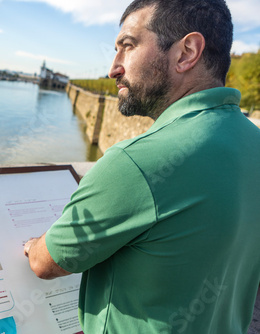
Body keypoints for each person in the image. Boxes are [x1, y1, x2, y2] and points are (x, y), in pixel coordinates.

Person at [24, 0, 260, 333]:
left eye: (128, 46)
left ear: (186, 52)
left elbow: (44, 262)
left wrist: (33, 244)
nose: (113, 68)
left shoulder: (136, 162)